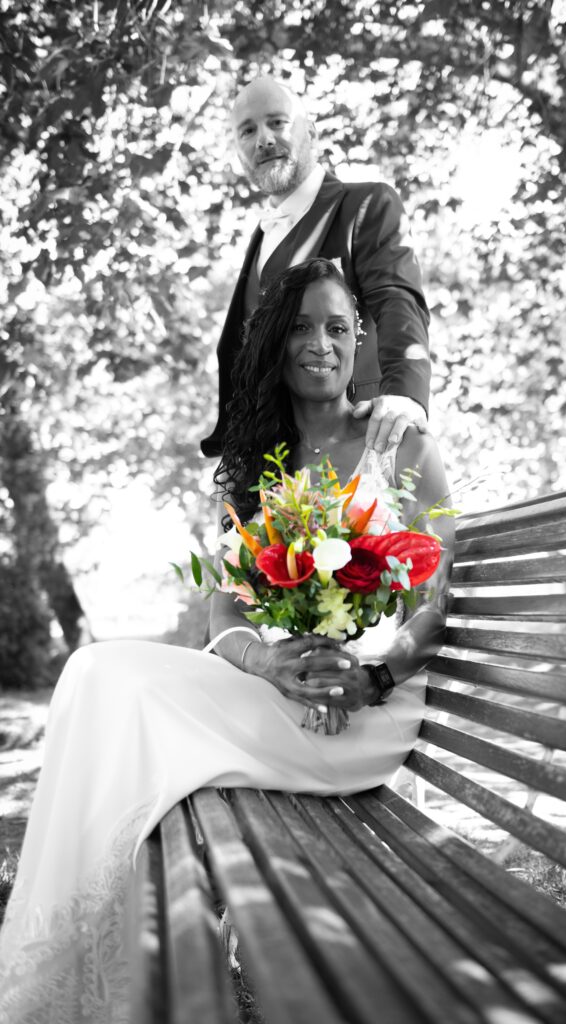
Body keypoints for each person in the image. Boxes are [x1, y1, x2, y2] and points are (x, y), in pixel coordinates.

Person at [0, 259, 454, 1024]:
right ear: (275, 342)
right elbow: (225, 619)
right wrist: (274, 662)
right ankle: (83, 957)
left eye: (338, 328)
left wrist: (374, 675)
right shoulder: (250, 467)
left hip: (367, 709)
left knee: (118, 689)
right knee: (90, 674)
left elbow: (438, 599)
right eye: (302, 326)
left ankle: (102, 965)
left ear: (359, 342)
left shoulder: (399, 442)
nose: (321, 343)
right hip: (280, 693)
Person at [201, 75, 431, 460]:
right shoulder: (259, 241)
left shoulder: (366, 206)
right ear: (238, 151)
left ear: (310, 131)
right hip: (273, 465)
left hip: (363, 443)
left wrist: (406, 397)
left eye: (277, 122)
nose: (264, 139)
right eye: (248, 130)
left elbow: (397, 301)